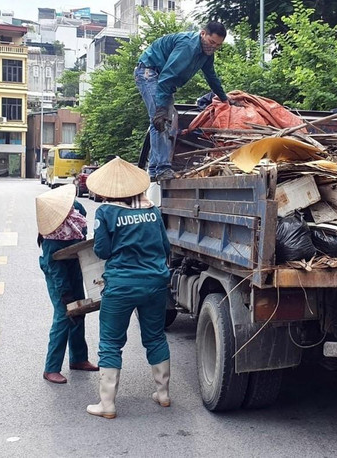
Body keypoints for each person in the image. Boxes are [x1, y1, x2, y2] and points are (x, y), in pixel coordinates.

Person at [84, 157, 171, 419]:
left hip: (121, 285)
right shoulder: (152, 210)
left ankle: (107, 405)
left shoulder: (106, 212)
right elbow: (165, 247)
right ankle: (163, 394)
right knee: (155, 337)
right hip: (155, 283)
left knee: (111, 342)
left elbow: (102, 250)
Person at [136, 21, 230, 182]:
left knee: (170, 123)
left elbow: (211, 77)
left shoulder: (207, 54)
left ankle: (153, 169)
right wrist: (160, 109)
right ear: (202, 33)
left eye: (218, 45)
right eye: (211, 42)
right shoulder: (188, 46)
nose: (213, 47)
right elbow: (166, 77)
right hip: (149, 72)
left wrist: (225, 99)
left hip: (163, 80)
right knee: (162, 121)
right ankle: (162, 169)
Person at [35, 184, 99, 384]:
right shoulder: (50, 234)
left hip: (74, 266)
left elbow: (84, 235)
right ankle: (51, 368)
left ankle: (78, 358)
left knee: (79, 311)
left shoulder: (77, 209)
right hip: (57, 273)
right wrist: (65, 293)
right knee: (64, 314)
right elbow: (55, 269)